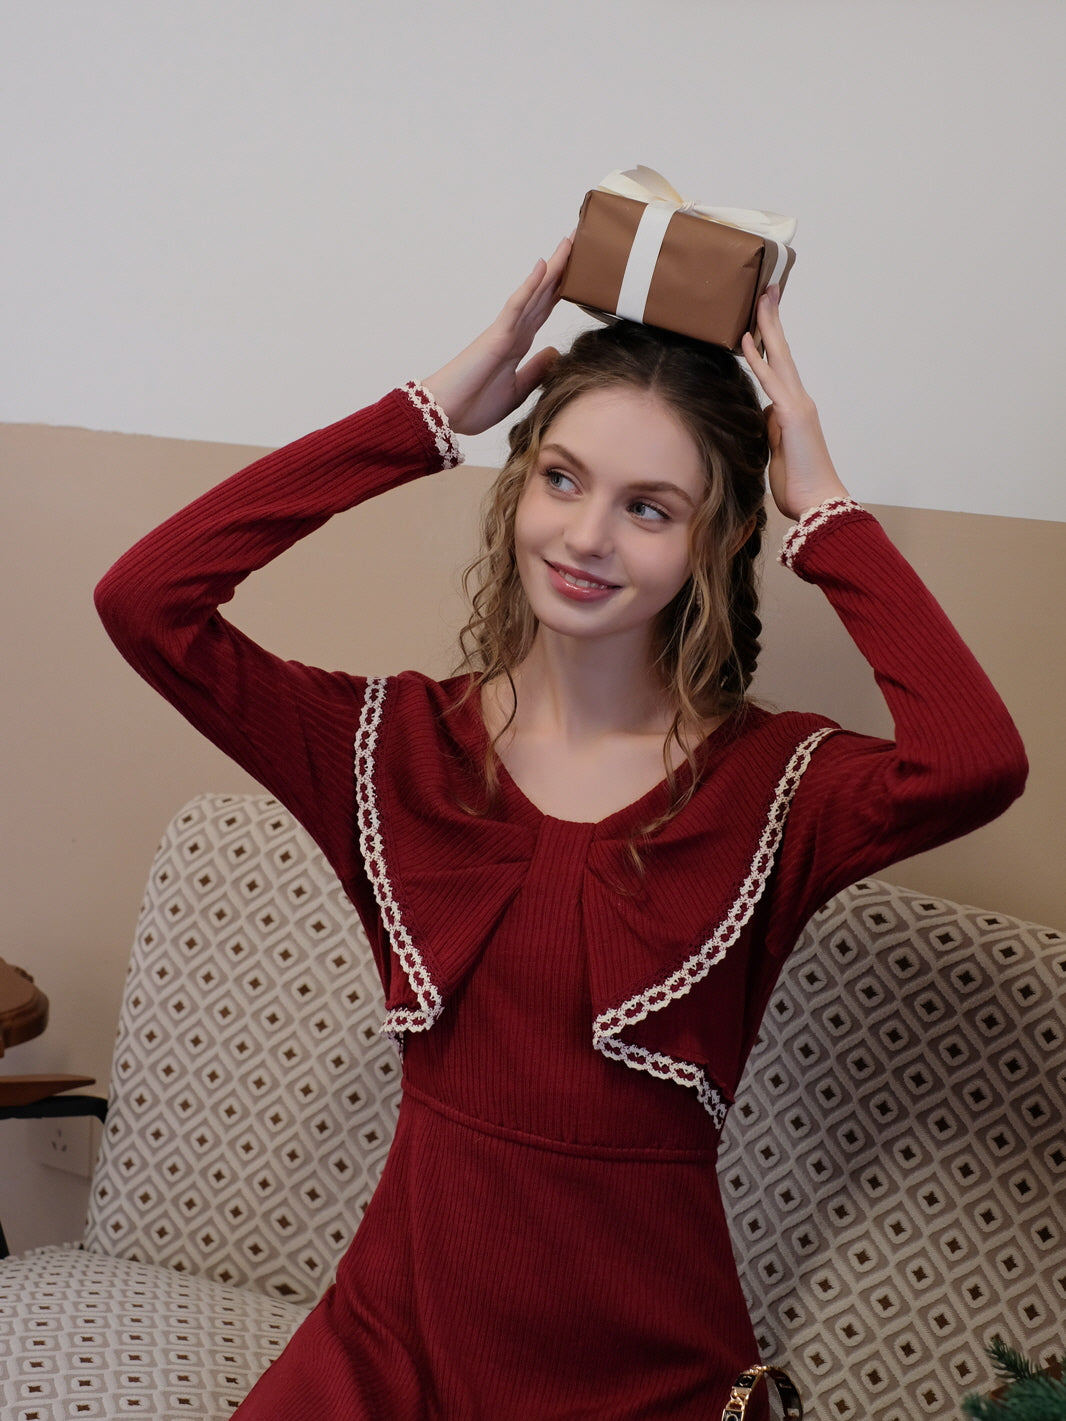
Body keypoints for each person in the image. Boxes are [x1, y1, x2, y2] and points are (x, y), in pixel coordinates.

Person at [95, 238, 1027, 1419]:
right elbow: (146, 601)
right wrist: (428, 412)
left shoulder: (779, 787)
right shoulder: (387, 750)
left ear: (719, 538)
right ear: (518, 477)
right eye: (562, 478)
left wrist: (820, 501)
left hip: (646, 1381)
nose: (587, 537)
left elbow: (977, 757)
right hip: (391, 1355)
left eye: (650, 507)